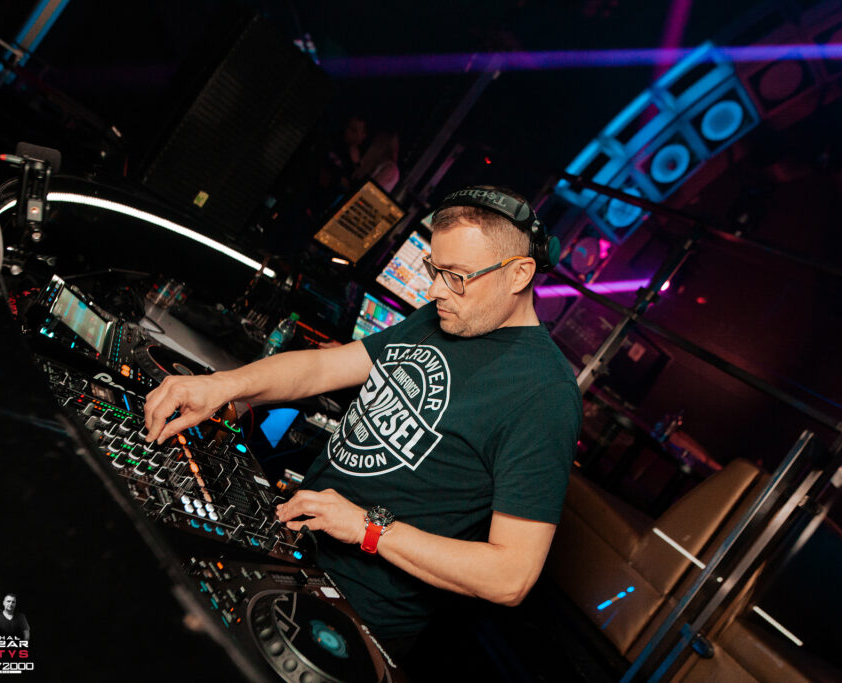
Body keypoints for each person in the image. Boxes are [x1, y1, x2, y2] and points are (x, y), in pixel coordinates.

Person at [143, 186, 580, 653]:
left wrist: (367, 528)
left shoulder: (544, 395)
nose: (434, 290)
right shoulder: (443, 316)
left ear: (519, 273)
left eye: (456, 276)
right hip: (291, 545)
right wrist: (222, 385)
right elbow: (324, 368)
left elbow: (510, 576)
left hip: (348, 613)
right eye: (434, 269)